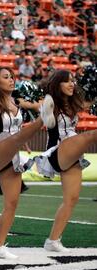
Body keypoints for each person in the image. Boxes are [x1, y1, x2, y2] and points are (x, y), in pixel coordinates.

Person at [0, 65, 54, 259]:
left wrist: (25, 147)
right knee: (15, 138)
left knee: (12, 203)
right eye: (6, 77)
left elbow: (17, 131)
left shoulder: (16, 102)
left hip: (13, 155)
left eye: (12, 76)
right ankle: (42, 119)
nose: (11, 79)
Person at [35, 70, 96, 252]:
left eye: (73, 81)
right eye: (67, 81)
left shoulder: (72, 103)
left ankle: (53, 241)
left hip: (73, 153)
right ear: (57, 84)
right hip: (58, 150)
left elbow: (89, 102)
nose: (72, 84)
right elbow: (41, 111)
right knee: (92, 134)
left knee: (72, 198)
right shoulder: (50, 102)